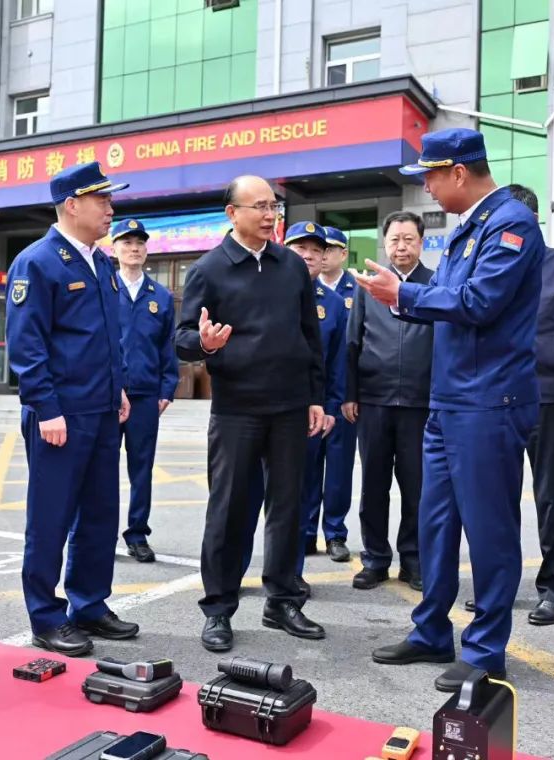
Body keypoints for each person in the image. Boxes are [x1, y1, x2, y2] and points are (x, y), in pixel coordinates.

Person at [358, 128, 544, 693]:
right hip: (448, 399)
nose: (429, 189)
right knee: (435, 523)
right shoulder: (467, 229)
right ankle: (431, 631)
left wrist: (403, 295)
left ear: (459, 172)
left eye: (432, 177)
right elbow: (445, 302)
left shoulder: (511, 224)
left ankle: (485, 649)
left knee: (489, 530)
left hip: (488, 400)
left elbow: (478, 302)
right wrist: (401, 297)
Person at [175, 175, 326, 653]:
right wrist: (204, 343)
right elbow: (181, 340)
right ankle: (219, 608)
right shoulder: (209, 269)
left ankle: (283, 600)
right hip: (237, 408)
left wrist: (316, 396)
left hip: (290, 406)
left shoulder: (291, 266)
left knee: (289, 507)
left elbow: (310, 335)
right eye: (258, 206)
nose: (269, 215)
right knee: (230, 510)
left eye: (273, 207)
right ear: (232, 213)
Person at [6, 161, 136, 657]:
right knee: (51, 518)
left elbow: (108, 338)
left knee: (100, 514)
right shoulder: (38, 262)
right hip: (60, 414)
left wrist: (118, 389)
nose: (110, 208)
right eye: (102, 200)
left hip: (102, 410)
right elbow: (27, 345)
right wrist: (46, 408)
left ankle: (90, 604)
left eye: (110, 199)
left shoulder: (101, 262)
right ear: (71, 205)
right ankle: (45, 616)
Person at [463, 184, 554, 625]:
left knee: (551, 497)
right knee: (496, 499)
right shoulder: (489, 266)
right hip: (496, 396)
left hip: (547, 397)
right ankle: (497, 588)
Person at [239, 221, 346, 596]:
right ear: (285, 250)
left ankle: (289, 573)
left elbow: (336, 363)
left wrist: (330, 407)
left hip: (305, 415)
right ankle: (233, 571)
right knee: (246, 494)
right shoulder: (263, 286)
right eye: (301, 248)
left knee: (296, 498)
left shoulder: (334, 304)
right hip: (256, 410)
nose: (309, 256)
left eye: (317, 250)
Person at [345, 211, 434, 592]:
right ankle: (375, 559)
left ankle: (413, 561)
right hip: (374, 400)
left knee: (417, 487)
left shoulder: (436, 284)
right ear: (385, 243)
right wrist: (350, 393)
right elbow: (352, 342)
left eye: (409, 239)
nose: (401, 246)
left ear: (421, 243)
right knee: (374, 485)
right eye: (395, 239)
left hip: (420, 402)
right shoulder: (368, 287)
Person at [113, 218, 179, 563]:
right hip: (108, 396)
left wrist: (167, 388)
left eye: (139, 243)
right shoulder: (103, 288)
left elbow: (168, 347)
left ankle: (137, 534)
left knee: (142, 470)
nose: (134, 248)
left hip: (145, 397)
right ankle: (99, 534)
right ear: (114, 249)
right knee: (101, 470)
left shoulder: (161, 296)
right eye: (127, 242)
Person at [308, 226, 358, 562]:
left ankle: (335, 534)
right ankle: (306, 531)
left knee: (339, 469)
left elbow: (353, 350)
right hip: (307, 398)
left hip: (341, 397)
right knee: (306, 468)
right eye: (317, 250)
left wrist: (348, 396)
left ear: (342, 254)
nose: (322, 256)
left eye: (328, 250)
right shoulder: (299, 290)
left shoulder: (357, 291)